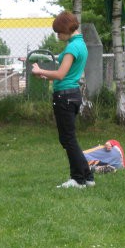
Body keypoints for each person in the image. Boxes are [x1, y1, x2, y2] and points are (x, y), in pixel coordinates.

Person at [31, 11, 94, 188]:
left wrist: (40, 71)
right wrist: (45, 75)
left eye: (59, 32)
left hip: (64, 97)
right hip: (72, 94)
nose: (58, 35)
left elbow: (60, 74)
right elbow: (68, 74)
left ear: (66, 29)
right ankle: (87, 177)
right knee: (70, 138)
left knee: (68, 139)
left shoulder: (72, 47)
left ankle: (78, 179)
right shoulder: (80, 44)